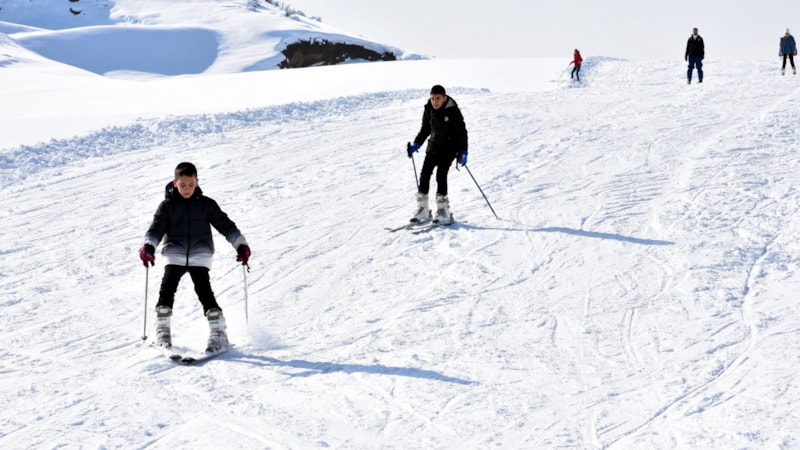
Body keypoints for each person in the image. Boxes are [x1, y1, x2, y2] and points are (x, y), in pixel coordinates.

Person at [139, 162, 250, 352]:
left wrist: (240, 244)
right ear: (175, 183)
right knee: (167, 289)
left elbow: (225, 225)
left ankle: (218, 332)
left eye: (191, 185)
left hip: (200, 255)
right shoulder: (167, 206)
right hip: (174, 254)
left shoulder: (206, 204)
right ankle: (162, 330)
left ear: (197, 182)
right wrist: (149, 245)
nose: (187, 189)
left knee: (204, 291)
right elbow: (157, 228)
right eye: (183, 185)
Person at [406, 85, 469, 225]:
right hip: (433, 146)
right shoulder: (428, 109)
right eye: (432, 98)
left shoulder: (453, 111)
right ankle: (422, 209)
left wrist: (463, 151)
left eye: (438, 98)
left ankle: (443, 211)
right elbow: (425, 129)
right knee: (424, 174)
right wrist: (417, 144)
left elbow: (461, 132)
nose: (435, 102)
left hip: (449, 147)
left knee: (441, 175)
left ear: (444, 97)